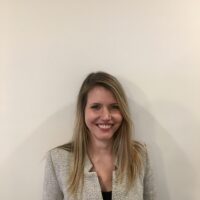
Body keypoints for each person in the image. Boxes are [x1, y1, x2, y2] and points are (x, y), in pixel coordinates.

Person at [43, 71, 154, 200]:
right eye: (96, 107)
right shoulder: (58, 160)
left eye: (114, 107)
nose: (106, 116)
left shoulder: (139, 155)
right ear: (83, 111)